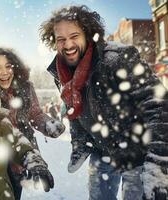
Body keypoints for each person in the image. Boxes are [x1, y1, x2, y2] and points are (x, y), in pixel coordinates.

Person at [40, 5, 168, 200]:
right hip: (102, 150)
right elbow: (75, 111)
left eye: (74, 36)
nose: (68, 44)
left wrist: (159, 162)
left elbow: (158, 104)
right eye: (61, 39)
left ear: (88, 35)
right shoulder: (61, 70)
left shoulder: (117, 59)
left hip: (138, 152)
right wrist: (80, 142)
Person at [0, 47, 65, 199]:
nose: (4, 72)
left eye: (8, 66)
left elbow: (35, 113)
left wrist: (48, 124)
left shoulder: (25, 87)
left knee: (14, 193)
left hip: (20, 154)